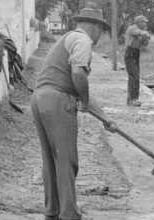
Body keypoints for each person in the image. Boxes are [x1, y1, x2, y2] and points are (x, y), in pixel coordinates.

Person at [31, 7, 117, 220]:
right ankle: (69, 214)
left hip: (40, 98)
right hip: (57, 102)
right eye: (102, 31)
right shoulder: (83, 40)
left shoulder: (67, 39)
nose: (100, 36)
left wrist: (107, 119)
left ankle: (52, 211)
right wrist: (85, 102)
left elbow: (77, 87)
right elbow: (79, 75)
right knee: (67, 159)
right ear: (95, 27)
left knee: (51, 159)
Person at [124, 15, 151, 106]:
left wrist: (146, 38)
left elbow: (145, 44)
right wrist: (145, 33)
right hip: (130, 53)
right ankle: (132, 99)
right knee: (134, 76)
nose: (145, 24)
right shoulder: (132, 28)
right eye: (143, 22)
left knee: (135, 76)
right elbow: (138, 32)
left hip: (136, 54)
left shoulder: (142, 32)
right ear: (138, 22)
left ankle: (133, 98)